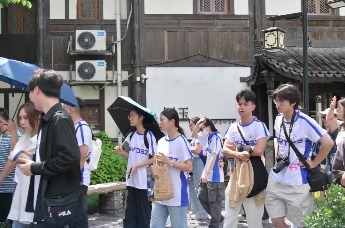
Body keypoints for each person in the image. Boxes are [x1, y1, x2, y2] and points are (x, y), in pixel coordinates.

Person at [18, 69, 88, 227]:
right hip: (51, 201)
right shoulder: (48, 119)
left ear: (36, 90)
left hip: (59, 205)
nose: (29, 96)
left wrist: (35, 167)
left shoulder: (59, 118)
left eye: (30, 91)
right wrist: (34, 160)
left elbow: (70, 157)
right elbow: (56, 156)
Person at [266, 84, 333, 228]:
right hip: (276, 179)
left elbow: (328, 142)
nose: (277, 104)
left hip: (297, 183)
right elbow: (280, 141)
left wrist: (314, 162)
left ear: (293, 102)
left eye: (281, 101)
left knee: (302, 224)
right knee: (277, 221)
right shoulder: (278, 119)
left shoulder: (305, 121)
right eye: (276, 101)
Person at [222, 89, 270, 228]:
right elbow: (225, 149)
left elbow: (259, 150)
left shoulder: (259, 126)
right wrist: (239, 153)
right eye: (239, 104)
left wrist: (237, 149)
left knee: (254, 220)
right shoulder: (233, 127)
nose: (241, 107)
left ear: (253, 106)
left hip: (254, 176)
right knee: (230, 217)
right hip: (236, 175)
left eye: (245, 104)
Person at [115, 107, 157, 228]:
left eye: (133, 115)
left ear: (141, 117)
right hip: (131, 180)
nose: (130, 118)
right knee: (130, 213)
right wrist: (122, 153)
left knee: (144, 214)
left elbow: (155, 158)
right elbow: (132, 156)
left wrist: (137, 165)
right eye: (130, 116)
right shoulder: (131, 135)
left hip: (145, 181)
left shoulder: (149, 136)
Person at [150, 108, 193, 228]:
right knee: (155, 225)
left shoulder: (181, 141)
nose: (160, 123)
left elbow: (189, 167)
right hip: (160, 192)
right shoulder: (161, 142)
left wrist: (169, 162)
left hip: (177, 194)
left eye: (162, 120)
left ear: (172, 121)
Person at [7, 102, 40, 228]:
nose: (22, 122)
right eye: (20, 118)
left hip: (34, 193)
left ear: (36, 117)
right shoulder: (25, 137)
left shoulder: (41, 140)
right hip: (21, 189)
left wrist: (25, 158)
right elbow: (13, 155)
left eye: (26, 117)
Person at [197, 118, 225, 228]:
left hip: (215, 177)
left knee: (214, 203)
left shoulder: (216, 138)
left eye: (202, 128)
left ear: (208, 128)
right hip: (207, 175)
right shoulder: (208, 138)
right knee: (201, 196)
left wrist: (207, 173)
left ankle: (215, 223)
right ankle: (218, 218)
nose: (200, 131)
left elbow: (214, 156)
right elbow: (194, 134)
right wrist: (199, 123)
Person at [64, 97, 93, 195]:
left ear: (70, 109)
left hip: (78, 180)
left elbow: (82, 156)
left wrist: (72, 178)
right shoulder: (73, 126)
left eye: (64, 108)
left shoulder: (82, 128)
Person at [0, 108, 20, 225]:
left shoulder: (17, 136)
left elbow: (14, 157)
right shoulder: (2, 137)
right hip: (2, 189)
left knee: (9, 222)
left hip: (9, 188)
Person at [187, 117, 209, 221]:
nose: (190, 127)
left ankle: (202, 212)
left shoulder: (201, 135)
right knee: (192, 188)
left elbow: (197, 150)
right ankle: (196, 211)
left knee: (199, 188)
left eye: (191, 124)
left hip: (199, 162)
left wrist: (186, 147)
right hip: (193, 163)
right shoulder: (195, 138)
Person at [314, 105, 339, 171]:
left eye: (325, 116)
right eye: (322, 117)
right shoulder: (321, 136)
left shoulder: (342, 135)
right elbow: (315, 155)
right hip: (325, 175)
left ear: (335, 117)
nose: (323, 119)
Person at [332, 98, 345, 187]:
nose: (337, 110)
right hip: (340, 172)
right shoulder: (341, 126)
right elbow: (329, 119)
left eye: (339, 107)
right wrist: (332, 108)